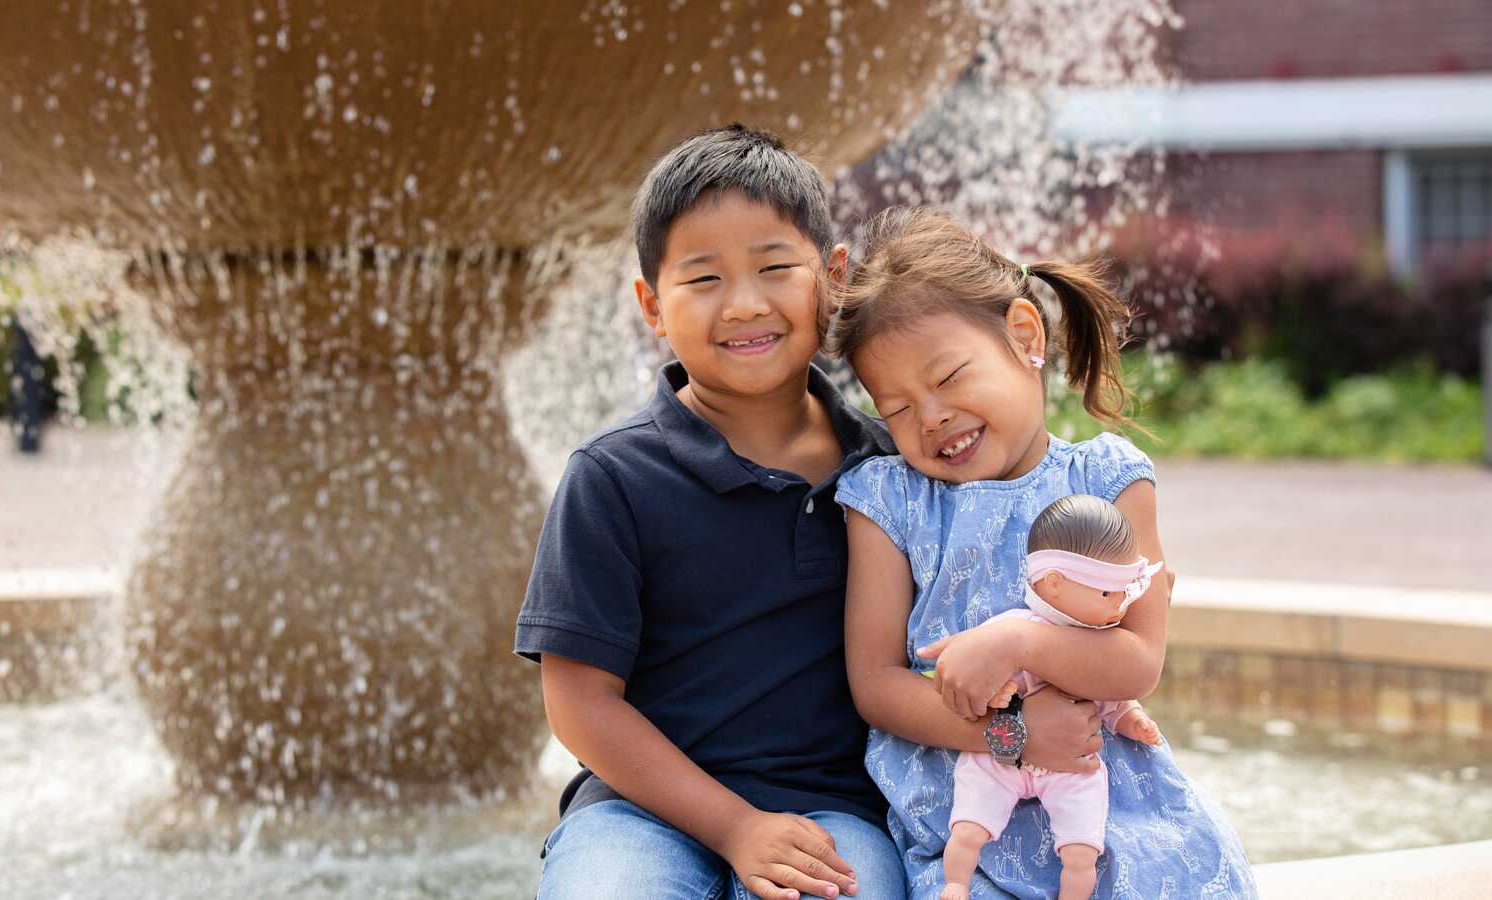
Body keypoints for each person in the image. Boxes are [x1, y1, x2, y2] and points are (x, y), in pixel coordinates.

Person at [513, 126, 1107, 900]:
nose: (746, 304)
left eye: (773, 268)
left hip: (838, 812)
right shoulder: (613, 476)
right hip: (637, 811)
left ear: (830, 279)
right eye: (703, 280)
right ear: (651, 306)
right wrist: (734, 826)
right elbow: (580, 704)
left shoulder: (893, 473)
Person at [829, 206, 1256, 899]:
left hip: (1109, 802)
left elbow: (1138, 661)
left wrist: (1021, 639)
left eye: (948, 377)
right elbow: (875, 684)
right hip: (970, 824)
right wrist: (1014, 736)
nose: (929, 416)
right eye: (897, 408)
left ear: (1024, 335)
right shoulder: (888, 504)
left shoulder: (1111, 481)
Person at [936, 494, 1166, 900]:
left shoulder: (1105, 646)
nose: (1119, 608)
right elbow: (976, 679)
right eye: (1106, 594)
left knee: (1082, 847)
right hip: (1000, 756)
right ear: (1056, 584)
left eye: (1123, 594)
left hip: (1072, 765)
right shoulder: (1009, 628)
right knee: (969, 824)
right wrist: (997, 692)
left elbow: (1115, 699)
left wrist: (1131, 719)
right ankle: (956, 882)